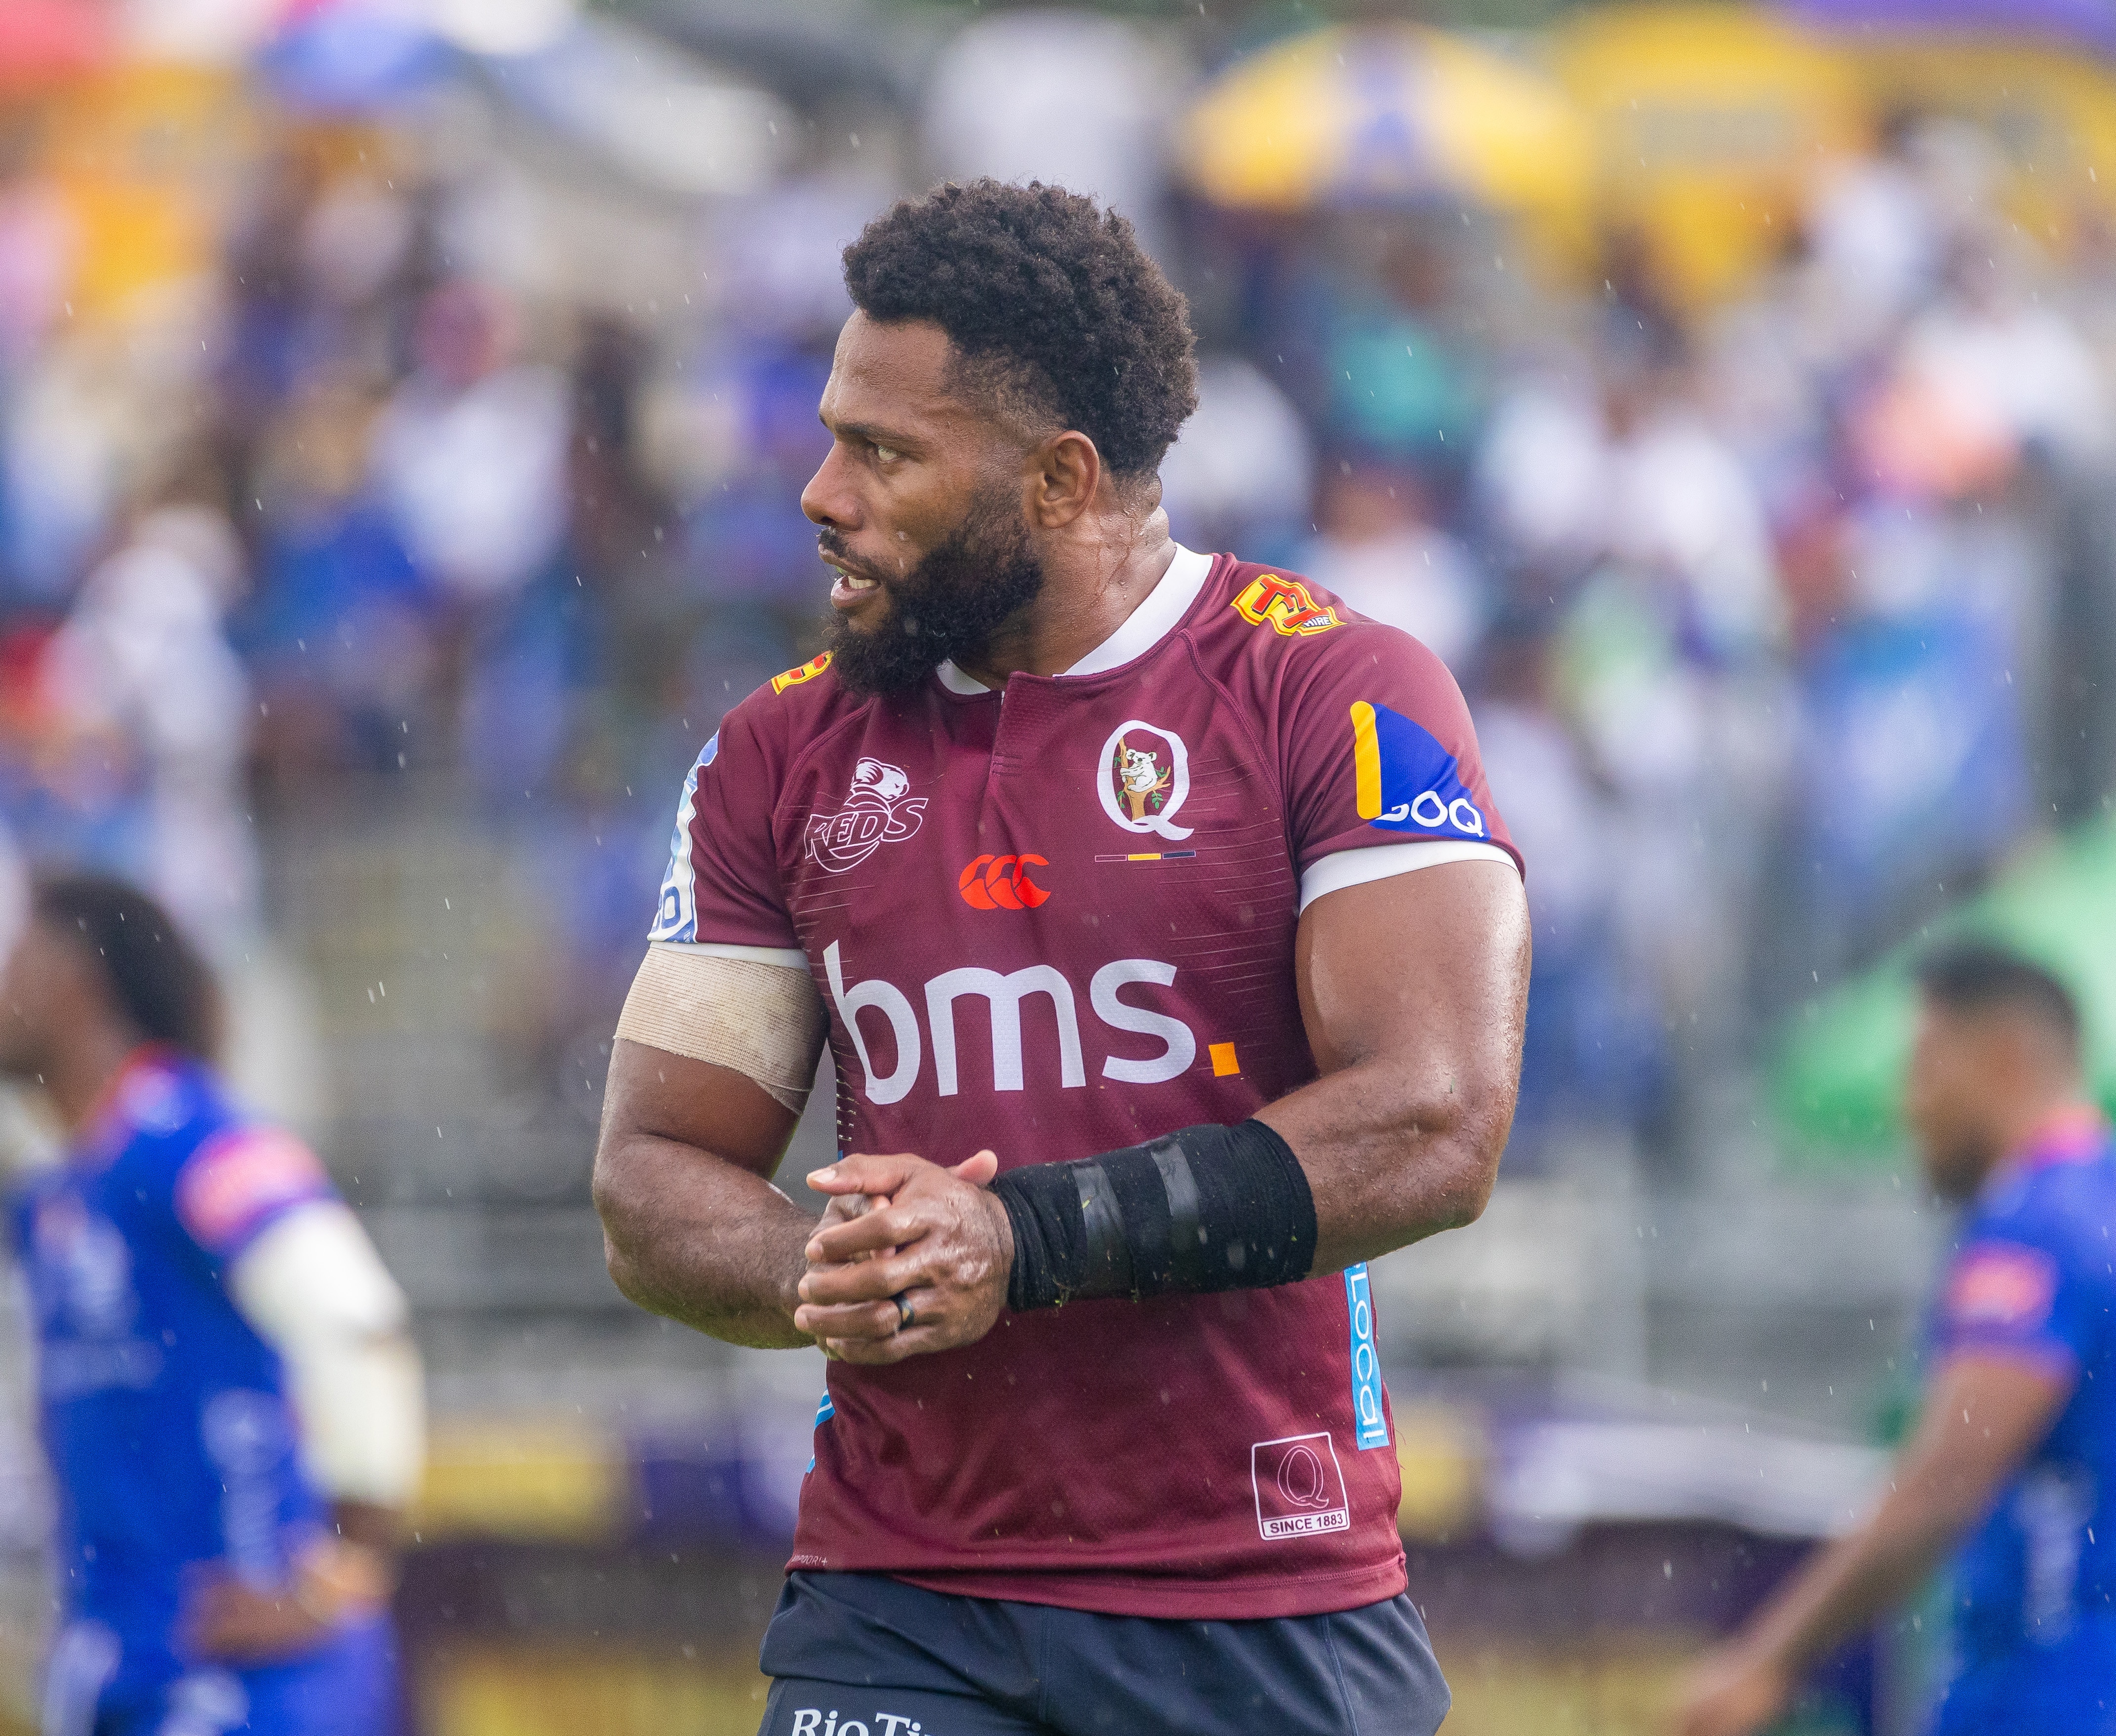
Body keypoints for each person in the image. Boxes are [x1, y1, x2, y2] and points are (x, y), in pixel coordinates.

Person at [593, 179, 1531, 1736]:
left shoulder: (1340, 693)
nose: (822, 492)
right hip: (899, 1603)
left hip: (1262, 1593)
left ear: (1057, 479)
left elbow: (1434, 1121)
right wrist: (825, 1271)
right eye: (832, 434)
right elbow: (651, 1181)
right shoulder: (774, 752)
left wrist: (1012, 1241)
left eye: (883, 453)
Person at [0, 874, 423, 1736]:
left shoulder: (187, 1140)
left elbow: (357, 1326)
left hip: (246, 1682)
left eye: (18, 956)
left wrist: (345, 1571)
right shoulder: (67, 1186)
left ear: (75, 977)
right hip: (124, 1668)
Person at [1678, 942, 2116, 1736]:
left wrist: (1766, 1663)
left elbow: (1943, 1482)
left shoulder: (2036, 1226)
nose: (1908, 1102)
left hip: (2052, 1694)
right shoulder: (2098, 1197)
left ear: (2004, 1058)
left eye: (1924, 1064)